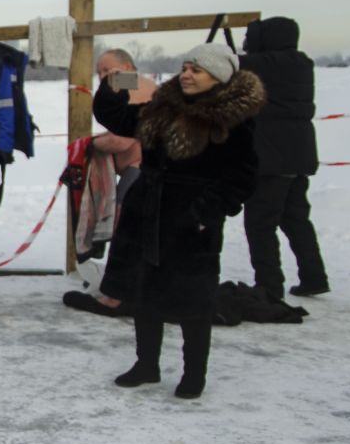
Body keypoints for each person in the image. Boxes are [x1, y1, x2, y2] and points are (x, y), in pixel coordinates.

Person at [94, 44, 262, 400]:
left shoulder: (231, 119)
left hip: (191, 219)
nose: (186, 74)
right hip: (149, 210)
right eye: (185, 67)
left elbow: (243, 177)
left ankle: (193, 374)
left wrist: (205, 213)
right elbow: (117, 116)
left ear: (218, 77)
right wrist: (116, 79)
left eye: (197, 70)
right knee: (144, 292)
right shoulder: (163, 108)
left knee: (193, 300)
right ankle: (147, 365)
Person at [239, 18, 330, 302]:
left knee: (260, 224)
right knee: (296, 219)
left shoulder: (260, 64)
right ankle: (314, 277)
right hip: (298, 154)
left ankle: (268, 285)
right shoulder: (302, 63)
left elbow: (231, 66)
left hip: (269, 157)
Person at [63, 49, 157, 318]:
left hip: (141, 171)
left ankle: (117, 296)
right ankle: (132, 289)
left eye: (108, 70)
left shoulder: (133, 83)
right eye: (100, 72)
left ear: (127, 66)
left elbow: (123, 139)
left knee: (125, 229)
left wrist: (90, 144)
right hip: (144, 170)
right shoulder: (141, 86)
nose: (103, 76)